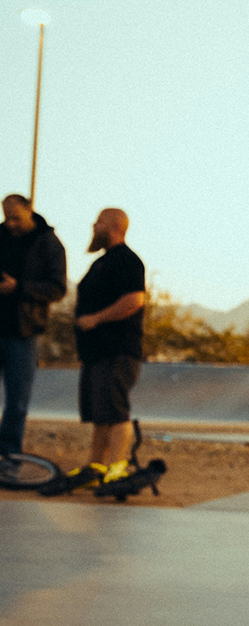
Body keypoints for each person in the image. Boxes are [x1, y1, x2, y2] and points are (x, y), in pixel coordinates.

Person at [43, 207, 146, 493]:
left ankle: (116, 467)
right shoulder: (103, 262)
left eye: (98, 221)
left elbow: (135, 299)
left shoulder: (127, 260)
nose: (93, 225)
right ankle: (95, 466)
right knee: (100, 415)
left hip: (117, 351)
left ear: (113, 226)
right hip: (96, 354)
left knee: (115, 412)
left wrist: (97, 318)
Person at [0, 194, 68, 464]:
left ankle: (8, 453)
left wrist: (19, 288)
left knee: (17, 400)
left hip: (25, 332)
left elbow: (57, 288)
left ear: (29, 211)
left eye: (16, 217)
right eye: (7, 217)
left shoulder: (49, 244)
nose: (11, 223)